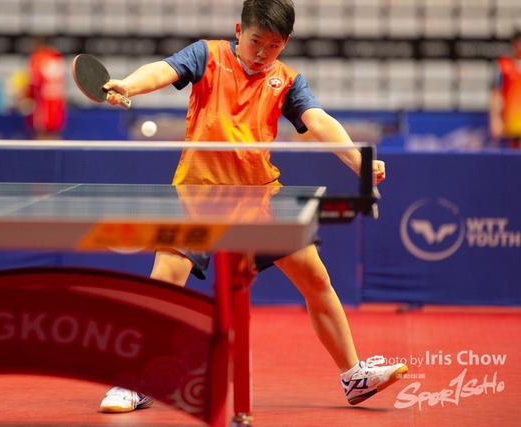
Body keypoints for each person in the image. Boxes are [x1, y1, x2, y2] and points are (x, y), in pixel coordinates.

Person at [99, 0, 407, 413]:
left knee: (316, 280)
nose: (262, 53)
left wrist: (359, 162)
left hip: (259, 199)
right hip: (196, 195)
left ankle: (354, 376)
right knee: (164, 284)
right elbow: (163, 70)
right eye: (256, 41)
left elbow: (318, 120)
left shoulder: (288, 81)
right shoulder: (207, 55)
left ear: (286, 42)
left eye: (274, 46)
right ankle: (135, 380)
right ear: (238, 30)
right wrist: (129, 85)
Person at [19, 36, 67, 140]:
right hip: (57, 106)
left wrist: (23, 96)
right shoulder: (57, 57)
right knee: (55, 138)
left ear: (38, 44)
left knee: (41, 139)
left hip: (43, 107)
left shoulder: (38, 58)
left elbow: (33, 84)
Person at [489, 30, 521, 149]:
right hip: (510, 123)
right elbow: (495, 93)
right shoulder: (503, 65)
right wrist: (495, 119)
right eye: (518, 43)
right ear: (513, 44)